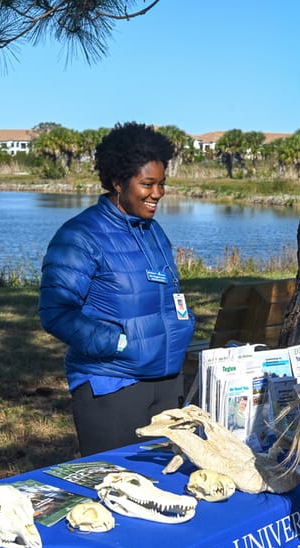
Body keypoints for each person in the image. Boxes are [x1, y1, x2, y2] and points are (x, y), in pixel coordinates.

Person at [39, 122, 195, 457]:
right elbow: (56, 313)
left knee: (166, 487)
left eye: (162, 184)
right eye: (147, 184)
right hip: (112, 385)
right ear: (117, 182)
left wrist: (184, 326)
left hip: (166, 381)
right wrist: (120, 342)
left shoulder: (153, 232)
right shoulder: (80, 235)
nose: (158, 193)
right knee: (116, 486)